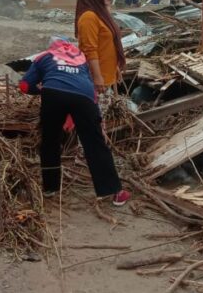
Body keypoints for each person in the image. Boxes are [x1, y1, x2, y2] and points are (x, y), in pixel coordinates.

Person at [19, 37, 130, 206]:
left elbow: (25, 86)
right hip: (84, 97)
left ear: (52, 47)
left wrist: (42, 89)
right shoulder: (81, 59)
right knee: (94, 143)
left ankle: (50, 188)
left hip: (53, 93)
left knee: (50, 141)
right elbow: (89, 89)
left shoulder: (45, 56)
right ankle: (115, 192)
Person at [75, 0, 125, 94]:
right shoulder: (89, 17)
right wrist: (97, 78)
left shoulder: (101, 15)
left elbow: (108, 44)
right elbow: (90, 50)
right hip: (95, 80)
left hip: (106, 75)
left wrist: (115, 67)